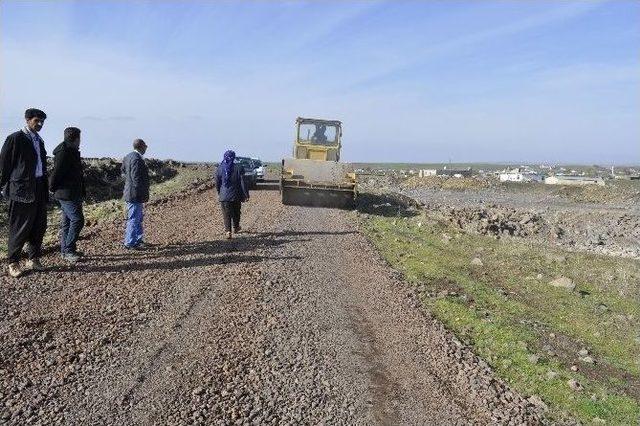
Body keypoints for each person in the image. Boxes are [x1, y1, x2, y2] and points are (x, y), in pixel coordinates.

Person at [0, 108, 49, 278]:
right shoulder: (16, 138)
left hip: (38, 187)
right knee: (19, 227)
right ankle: (13, 262)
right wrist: (3, 186)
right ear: (27, 120)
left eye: (42, 121)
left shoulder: (39, 140)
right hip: (20, 189)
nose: (40, 124)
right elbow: (4, 165)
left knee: (39, 226)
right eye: (37, 120)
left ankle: (33, 258)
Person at [49, 127, 86, 263]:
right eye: (79, 139)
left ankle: (66, 250)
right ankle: (69, 250)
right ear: (76, 139)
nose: (80, 142)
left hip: (70, 192)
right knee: (77, 220)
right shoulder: (65, 153)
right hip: (66, 194)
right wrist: (52, 188)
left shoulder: (70, 151)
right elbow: (57, 173)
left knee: (67, 222)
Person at [122, 139, 150, 249]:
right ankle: (130, 242)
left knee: (137, 218)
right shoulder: (137, 159)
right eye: (145, 146)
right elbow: (136, 178)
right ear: (141, 147)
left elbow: (123, 170)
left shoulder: (128, 156)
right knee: (134, 218)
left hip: (131, 192)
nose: (146, 148)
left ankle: (138, 240)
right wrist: (141, 191)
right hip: (135, 194)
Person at [215, 150, 249, 239]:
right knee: (236, 212)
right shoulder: (239, 168)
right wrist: (246, 194)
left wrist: (219, 192)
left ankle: (228, 231)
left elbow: (217, 182)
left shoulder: (220, 168)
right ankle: (236, 227)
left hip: (224, 196)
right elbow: (243, 183)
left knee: (226, 214)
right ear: (234, 157)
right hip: (236, 195)